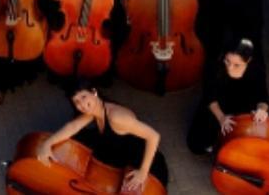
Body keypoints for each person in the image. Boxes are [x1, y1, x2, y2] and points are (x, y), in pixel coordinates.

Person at [36, 81, 169, 189]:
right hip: (114, 146)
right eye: (76, 102)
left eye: (83, 96)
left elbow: (154, 136)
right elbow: (73, 126)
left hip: (136, 158)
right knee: (75, 139)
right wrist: (48, 143)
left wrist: (143, 172)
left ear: (94, 92)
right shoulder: (96, 108)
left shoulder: (117, 117)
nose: (82, 104)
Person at [187, 38, 269, 154]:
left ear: (249, 60)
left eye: (237, 65)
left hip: (244, 106)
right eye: (227, 61)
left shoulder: (256, 69)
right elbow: (209, 96)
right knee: (196, 144)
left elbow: (262, 96)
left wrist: (262, 110)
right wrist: (221, 118)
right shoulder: (214, 64)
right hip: (218, 106)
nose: (230, 68)